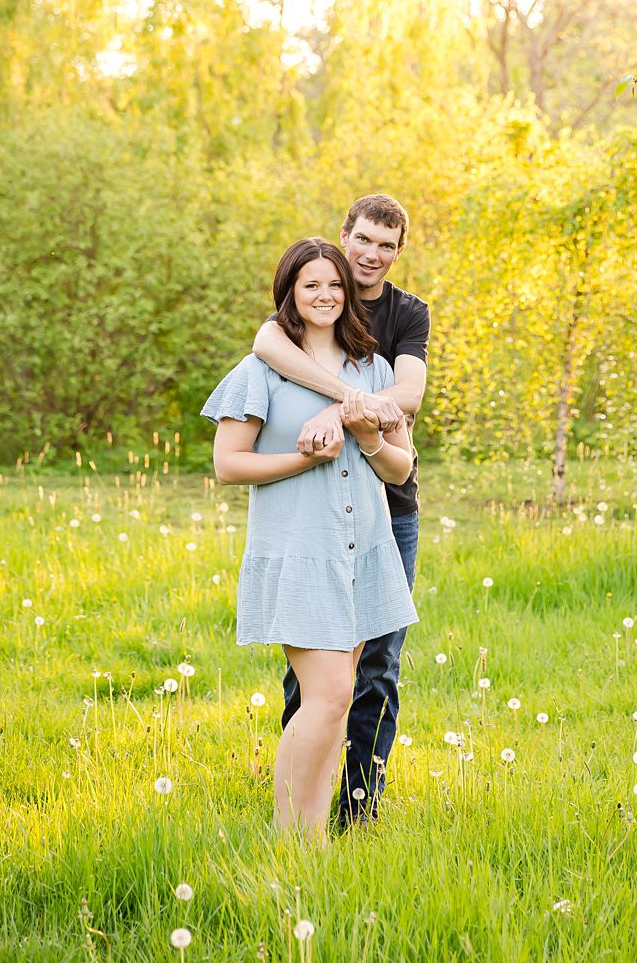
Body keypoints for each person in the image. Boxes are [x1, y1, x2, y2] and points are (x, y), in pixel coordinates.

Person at [203, 237, 419, 837]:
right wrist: (305, 461)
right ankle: (290, 839)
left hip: (365, 551)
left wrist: (366, 433)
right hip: (300, 553)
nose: (324, 295)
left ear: (348, 294)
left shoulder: (372, 370)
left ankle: (312, 840)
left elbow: (402, 467)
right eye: (310, 285)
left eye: (333, 285)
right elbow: (228, 464)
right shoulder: (259, 372)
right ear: (290, 295)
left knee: (339, 700)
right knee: (324, 698)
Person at [256, 194, 430, 826]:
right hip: (317, 508)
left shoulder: (407, 313)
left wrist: (341, 411)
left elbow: (406, 395)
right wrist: (347, 399)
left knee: (376, 663)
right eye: (363, 239)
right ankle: (299, 804)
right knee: (313, 668)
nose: (371, 254)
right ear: (344, 237)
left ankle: (359, 809)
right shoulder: (322, 290)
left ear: (398, 252)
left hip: (388, 505)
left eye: (386, 245)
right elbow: (267, 345)